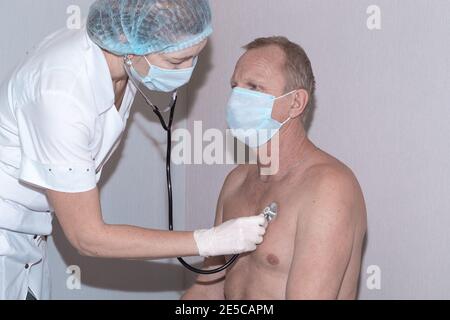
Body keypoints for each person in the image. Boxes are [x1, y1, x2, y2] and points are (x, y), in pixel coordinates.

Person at [0, 0, 267, 300]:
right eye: (177, 62)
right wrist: (207, 242)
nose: (187, 72)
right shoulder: (61, 93)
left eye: (195, 58)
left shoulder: (121, 65)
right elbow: (88, 237)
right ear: (128, 41)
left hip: (29, 237)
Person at [182, 37, 367, 300]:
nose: (237, 98)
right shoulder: (236, 180)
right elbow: (207, 291)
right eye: (235, 86)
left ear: (295, 103)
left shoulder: (328, 188)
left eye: (253, 87)